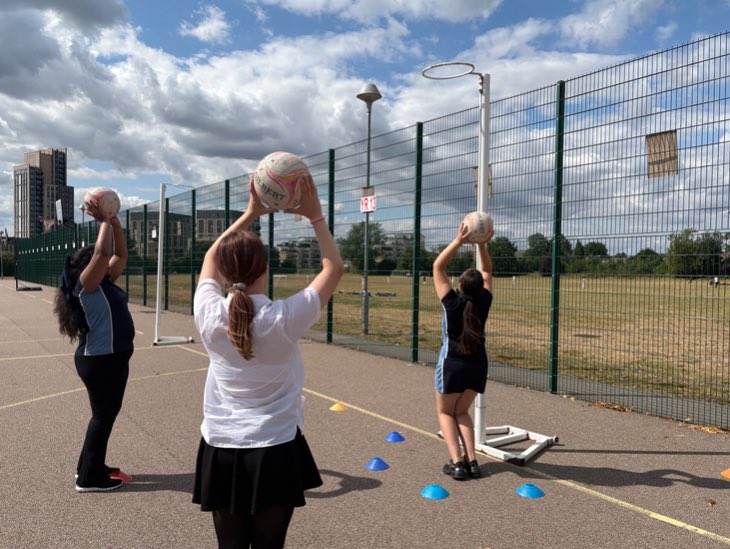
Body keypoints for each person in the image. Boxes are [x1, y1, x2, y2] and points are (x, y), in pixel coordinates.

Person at [192, 173, 344, 549]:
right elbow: (334, 268)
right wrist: (316, 216)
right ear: (266, 270)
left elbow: (212, 255)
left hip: (221, 446)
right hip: (275, 448)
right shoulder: (283, 319)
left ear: (225, 276)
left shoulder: (208, 314)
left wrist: (250, 212)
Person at [53, 200, 134, 492]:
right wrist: (104, 218)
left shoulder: (104, 283)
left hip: (109, 359)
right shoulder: (85, 286)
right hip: (101, 360)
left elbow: (120, 253)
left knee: (104, 415)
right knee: (103, 416)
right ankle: (90, 478)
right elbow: (102, 252)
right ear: (88, 268)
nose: (105, 262)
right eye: (98, 263)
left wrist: (114, 223)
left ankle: (89, 466)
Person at [432, 220, 494, 481]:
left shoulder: (451, 302)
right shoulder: (485, 300)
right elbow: (488, 271)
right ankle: (473, 462)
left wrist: (459, 240)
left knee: (446, 412)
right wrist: (482, 245)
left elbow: (437, 266)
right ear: (481, 288)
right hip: (477, 364)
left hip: (452, 365)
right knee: (462, 412)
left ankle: (457, 463)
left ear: (459, 285)